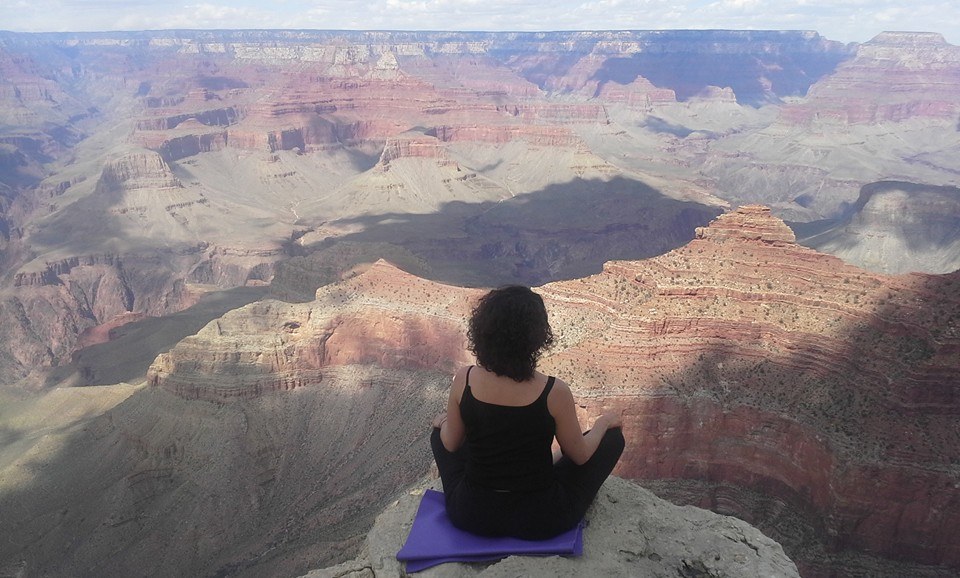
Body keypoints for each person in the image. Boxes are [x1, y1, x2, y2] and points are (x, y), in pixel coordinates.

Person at [431, 285, 625, 540]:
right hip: (541, 519)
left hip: (472, 514)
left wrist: (441, 424)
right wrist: (603, 423)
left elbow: (451, 444)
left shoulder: (464, 379)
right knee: (613, 440)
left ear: (484, 331)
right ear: (536, 337)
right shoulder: (554, 391)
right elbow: (579, 456)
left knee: (439, 435)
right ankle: (545, 468)